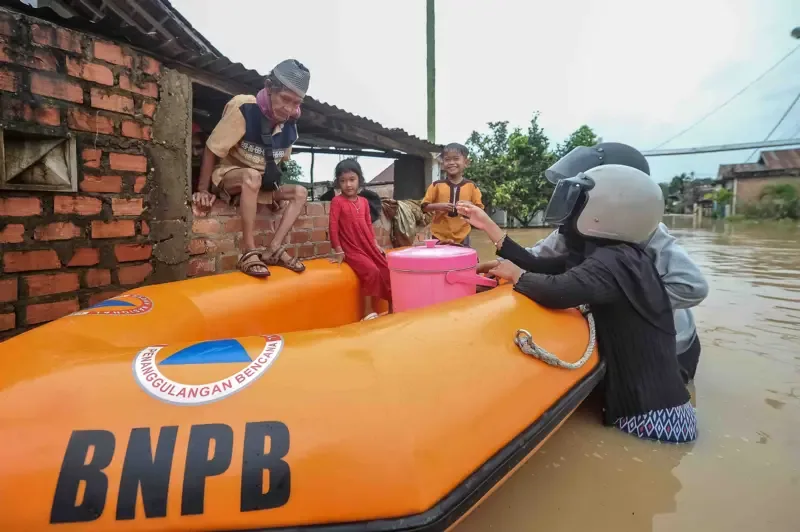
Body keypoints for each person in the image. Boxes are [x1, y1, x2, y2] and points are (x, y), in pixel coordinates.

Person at [457, 164, 697, 443]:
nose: (569, 212)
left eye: (578, 203)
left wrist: (517, 275)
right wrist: (488, 226)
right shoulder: (617, 255)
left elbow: (558, 291)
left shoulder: (613, 263)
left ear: (604, 212)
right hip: (664, 410)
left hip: (653, 418)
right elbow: (541, 264)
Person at [479, 142, 708, 384]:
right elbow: (540, 257)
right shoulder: (582, 226)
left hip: (668, 347)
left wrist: (622, 299)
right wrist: (498, 264)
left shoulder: (646, 231)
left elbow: (693, 287)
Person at [192, 59, 311, 277]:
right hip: (230, 178)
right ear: (269, 87)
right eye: (285, 99)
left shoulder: (291, 125)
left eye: (296, 103)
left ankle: (273, 248)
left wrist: (275, 191)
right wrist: (202, 189)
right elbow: (212, 148)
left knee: (300, 192)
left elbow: (277, 162)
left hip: (260, 184)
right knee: (252, 176)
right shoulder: (244, 107)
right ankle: (248, 250)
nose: (289, 109)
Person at [329, 159, 392, 321]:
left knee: (386, 268)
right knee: (371, 271)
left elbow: (368, 225)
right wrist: (338, 250)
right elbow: (333, 227)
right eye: (343, 181)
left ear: (359, 180)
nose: (348, 185)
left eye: (352, 179)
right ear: (338, 183)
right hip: (351, 248)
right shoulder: (337, 202)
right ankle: (367, 311)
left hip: (367, 245)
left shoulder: (364, 202)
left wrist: (375, 244)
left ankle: (392, 305)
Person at [421, 143, 484, 246]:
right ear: (442, 163)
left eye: (456, 159)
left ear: (466, 163)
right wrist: (439, 206)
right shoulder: (436, 185)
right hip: (438, 235)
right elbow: (424, 207)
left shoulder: (471, 186)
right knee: (439, 256)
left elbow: (479, 210)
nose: (451, 163)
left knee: (464, 257)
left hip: (463, 235)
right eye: (447, 159)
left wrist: (469, 206)